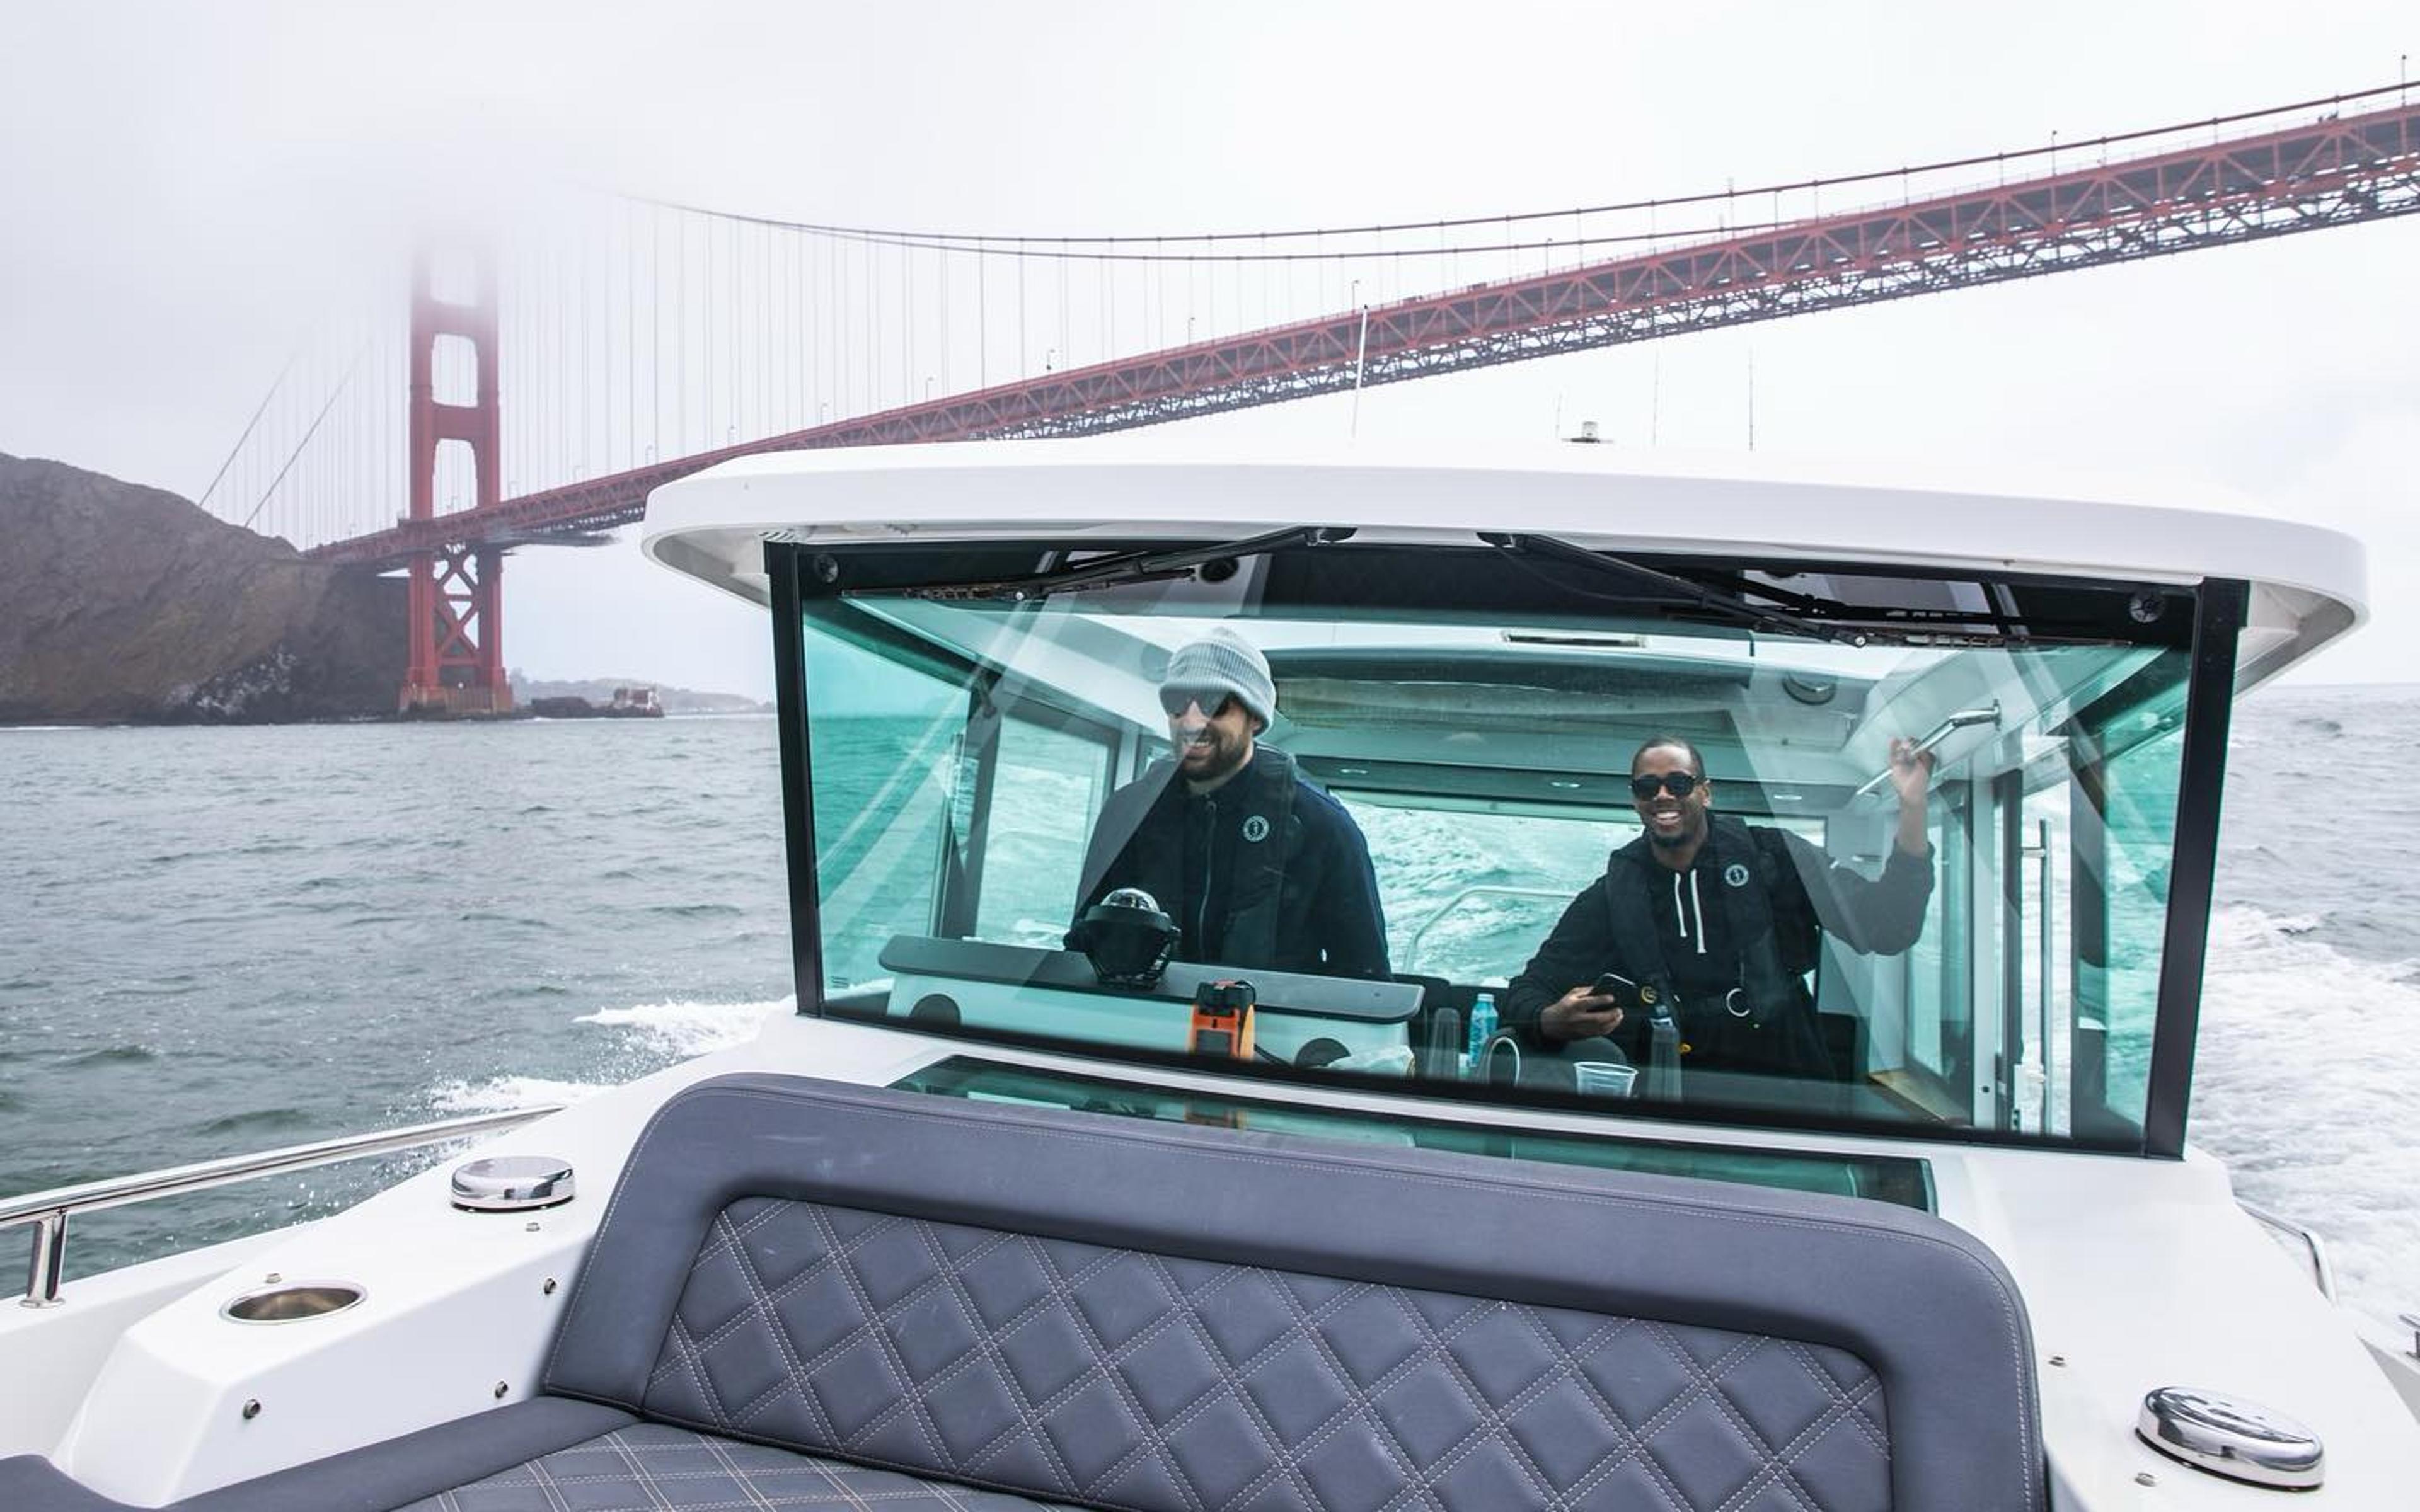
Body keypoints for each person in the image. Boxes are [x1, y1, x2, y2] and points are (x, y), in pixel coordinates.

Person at [1502, 734, 1935, 1080]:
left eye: (1680, 783)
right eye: (1647, 787)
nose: (1663, 796)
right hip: (1674, 1080)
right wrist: (1549, 1021)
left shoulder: (1776, 856)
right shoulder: (1615, 893)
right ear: (1635, 798)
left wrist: (1913, 805)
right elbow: (1527, 990)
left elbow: (1888, 928)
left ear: (1705, 792)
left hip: (1786, 1067)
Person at [1073, 627, 1390, 978]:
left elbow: (1367, 975)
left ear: (1255, 717)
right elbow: (1081, 945)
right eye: (1178, 705)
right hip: (1144, 1021)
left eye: (1215, 705)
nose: (1192, 721)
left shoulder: (1323, 825)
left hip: (1271, 1027)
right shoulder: (1127, 812)